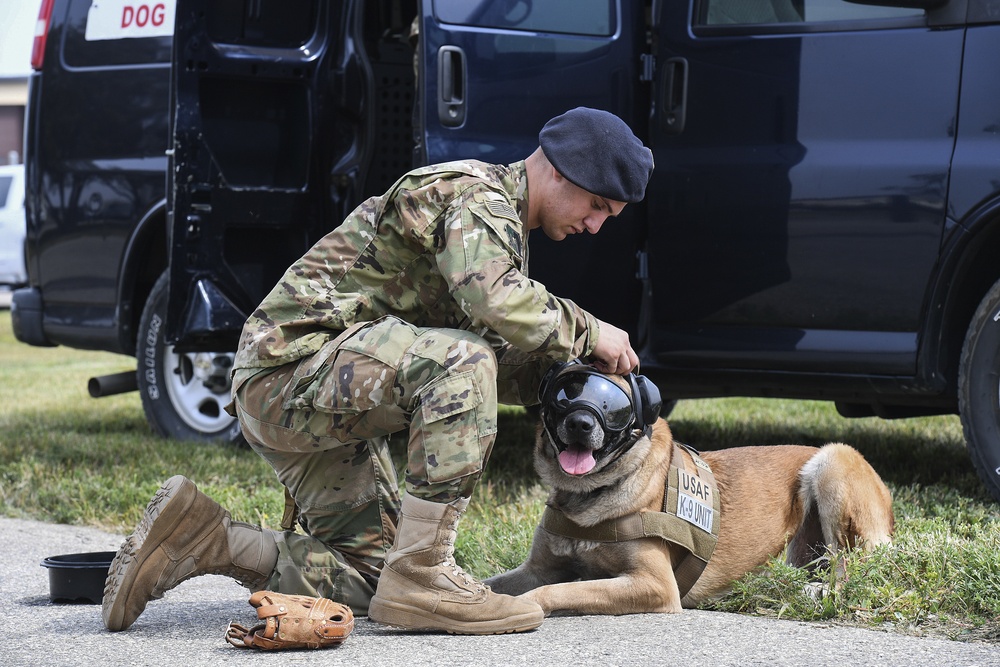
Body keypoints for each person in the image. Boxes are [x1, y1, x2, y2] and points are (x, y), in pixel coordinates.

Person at [102, 107, 654, 636]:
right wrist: (588, 329)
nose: (597, 225)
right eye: (597, 205)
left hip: (323, 397)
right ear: (559, 171)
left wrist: (566, 379)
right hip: (289, 372)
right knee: (461, 363)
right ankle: (425, 575)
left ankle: (202, 538)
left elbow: (492, 361)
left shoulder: (500, 229)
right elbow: (492, 306)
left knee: (373, 580)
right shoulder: (476, 197)